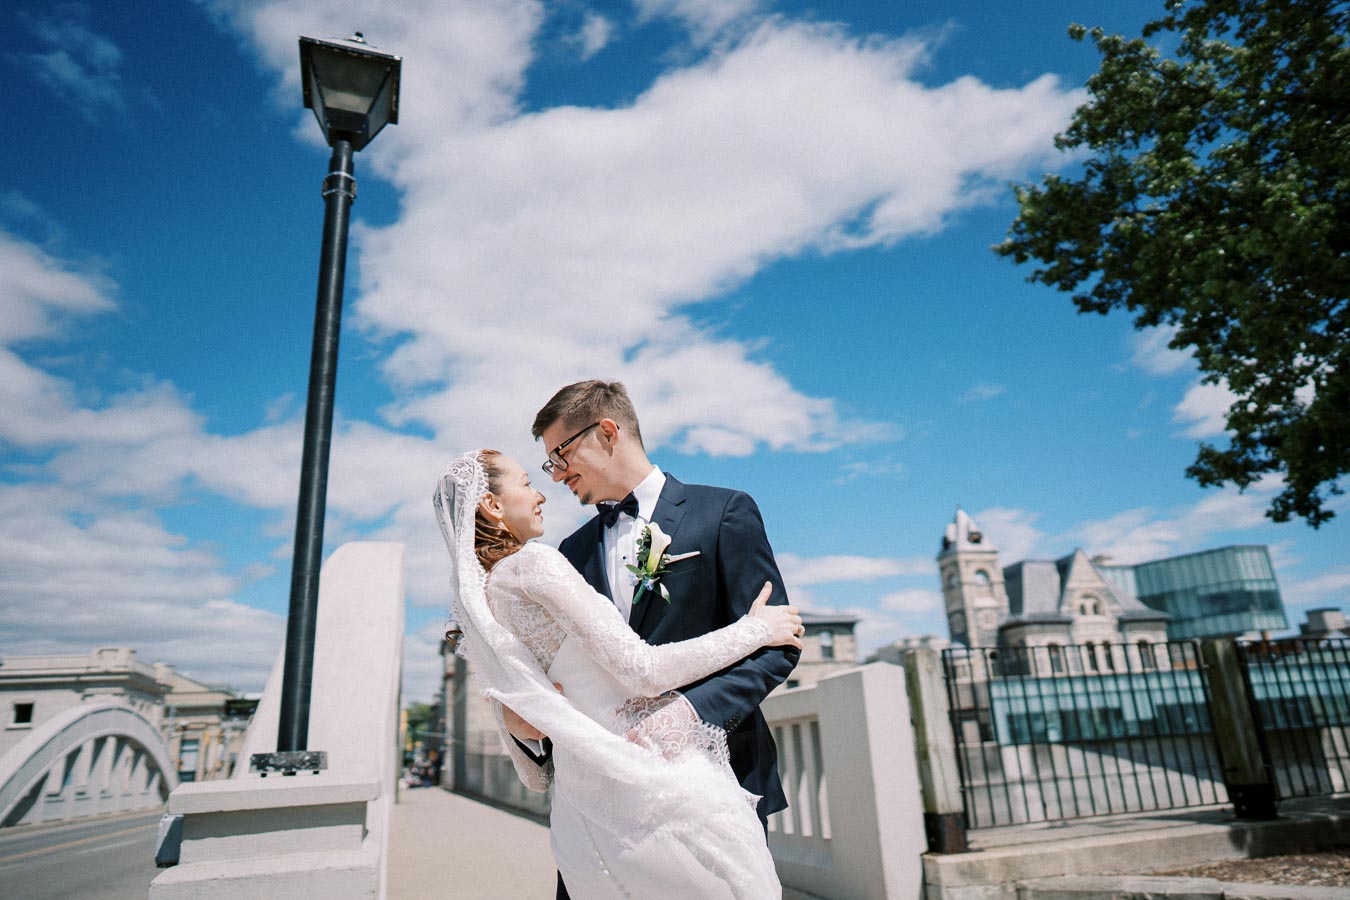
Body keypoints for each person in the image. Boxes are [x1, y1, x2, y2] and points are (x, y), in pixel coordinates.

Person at [434, 448, 803, 898]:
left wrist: (522, 725)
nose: (545, 489)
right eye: (528, 481)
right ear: (492, 505)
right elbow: (644, 670)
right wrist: (754, 629)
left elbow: (532, 773)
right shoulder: (546, 560)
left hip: (580, 815)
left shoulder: (478, 607)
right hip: (659, 789)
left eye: (558, 457)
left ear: (606, 434)